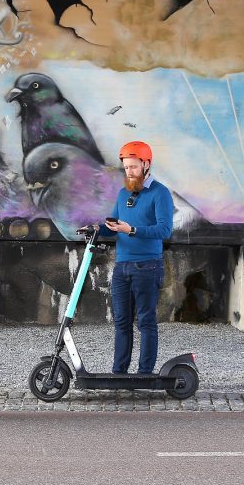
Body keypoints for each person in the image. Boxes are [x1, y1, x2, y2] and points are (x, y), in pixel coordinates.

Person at [99, 141, 173, 375]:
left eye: (133, 167)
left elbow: (164, 230)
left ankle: (145, 374)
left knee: (145, 322)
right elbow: (114, 226)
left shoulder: (160, 193)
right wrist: (95, 228)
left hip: (147, 266)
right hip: (122, 266)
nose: (128, 172)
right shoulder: (123, 193)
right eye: (125, 167)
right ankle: (119, 373)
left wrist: (132, 230)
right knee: (121, 322)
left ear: (146, 164)